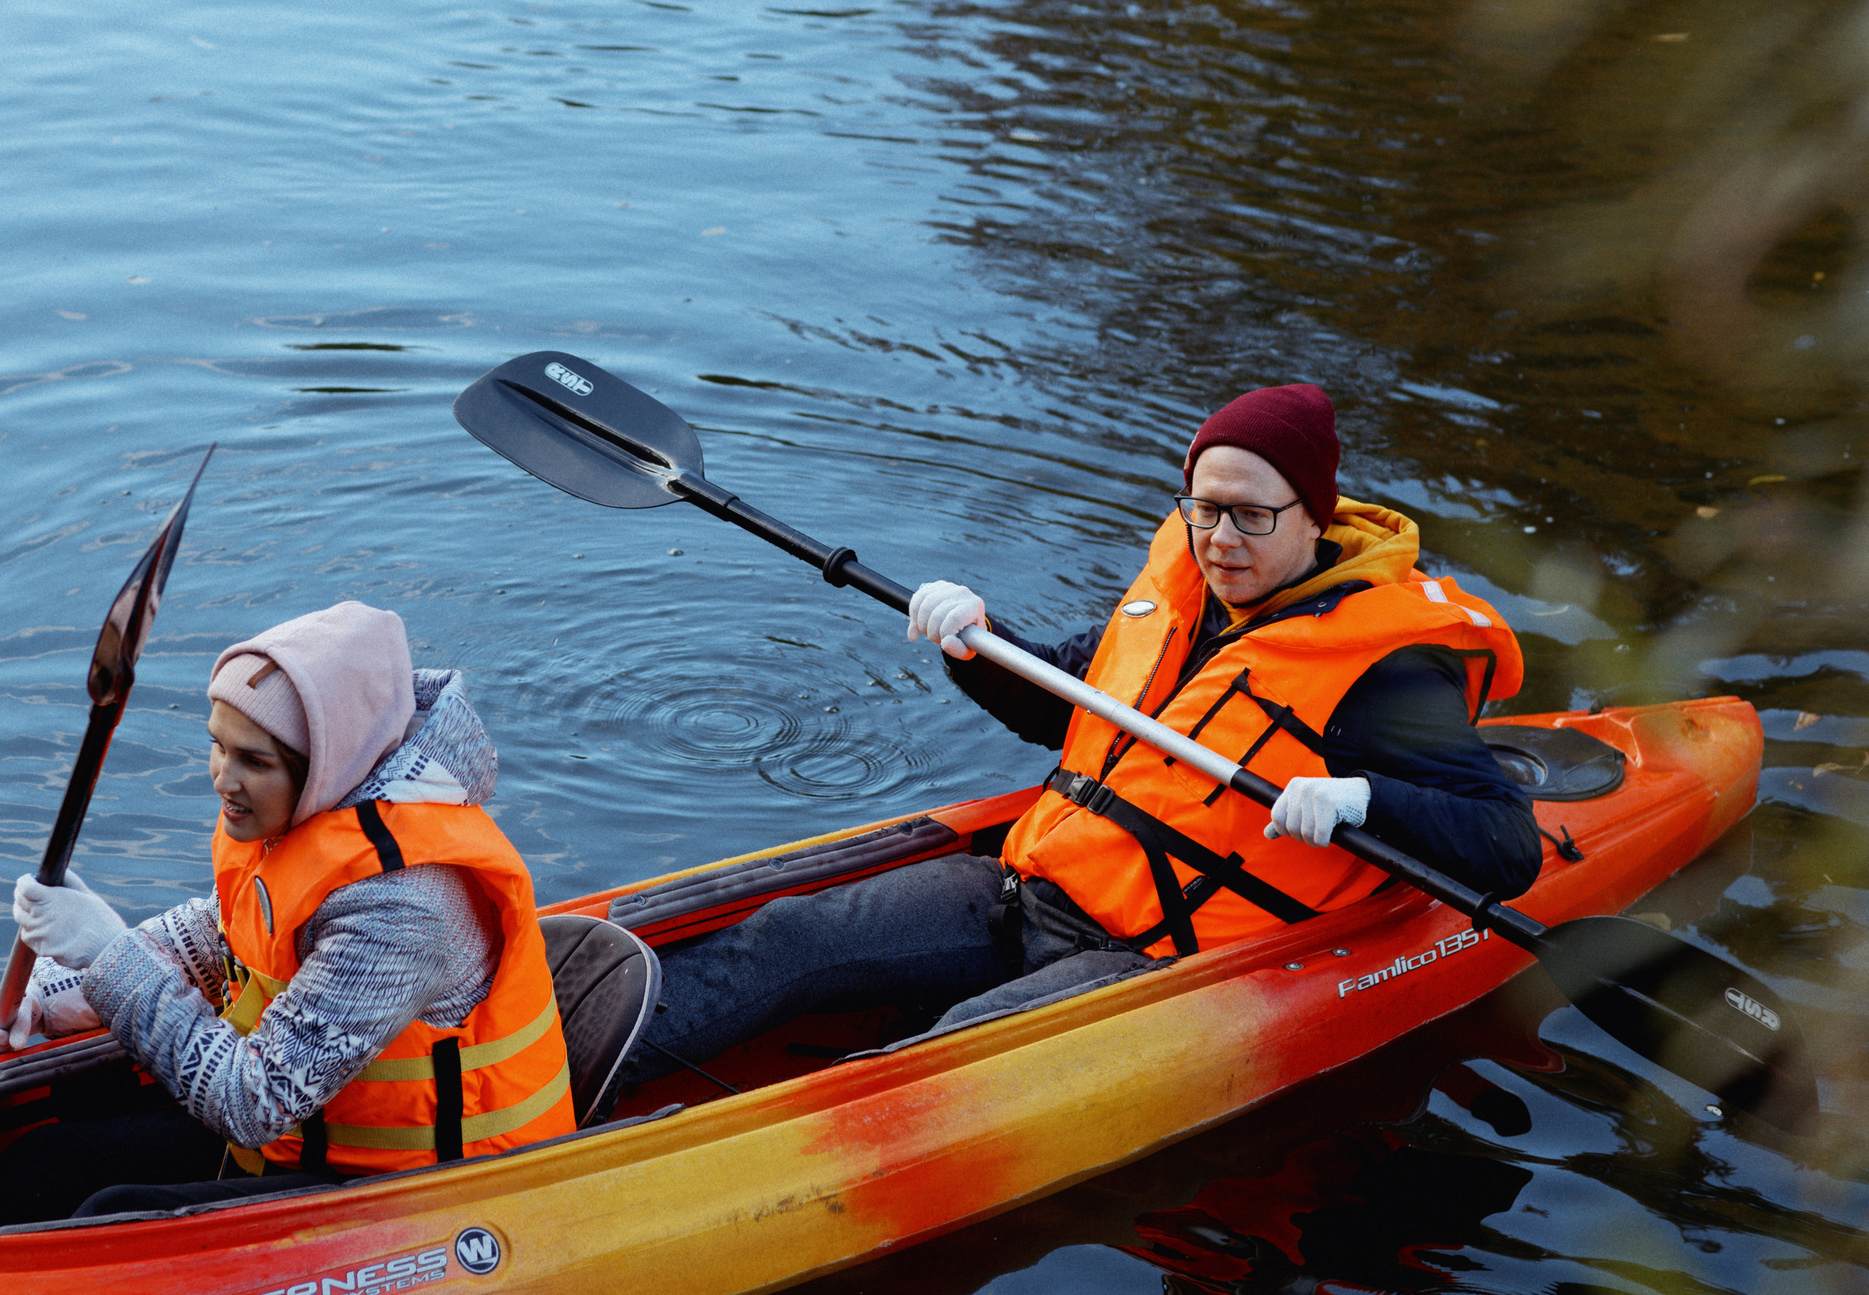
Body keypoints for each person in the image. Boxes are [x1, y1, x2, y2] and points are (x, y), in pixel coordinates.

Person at [646, 384, 1544, 1069]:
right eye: (1204, 507)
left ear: (1315, 516)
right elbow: (1058, 708)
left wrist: (1360, 797)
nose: (1221, 538)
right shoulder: (1182, 599)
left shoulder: (1384, 671)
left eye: (1252, 515)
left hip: (1158, 959)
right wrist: (976, 642)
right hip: (1027, 892)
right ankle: (551, 1079)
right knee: (792, 936)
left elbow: (1507, 847)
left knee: (943, 1057)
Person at [0, 601, 573, 1229]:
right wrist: (44, 1001)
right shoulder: (304, 814)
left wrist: (108, 954)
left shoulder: (405, 902)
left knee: (112, 1210)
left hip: (427, 1188)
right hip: (308, 1144)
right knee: (55, 1158)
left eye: (254, 761)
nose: (222, 779)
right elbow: (211, 943)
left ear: (329, 761)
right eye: (218, 745)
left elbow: (255, 1101)